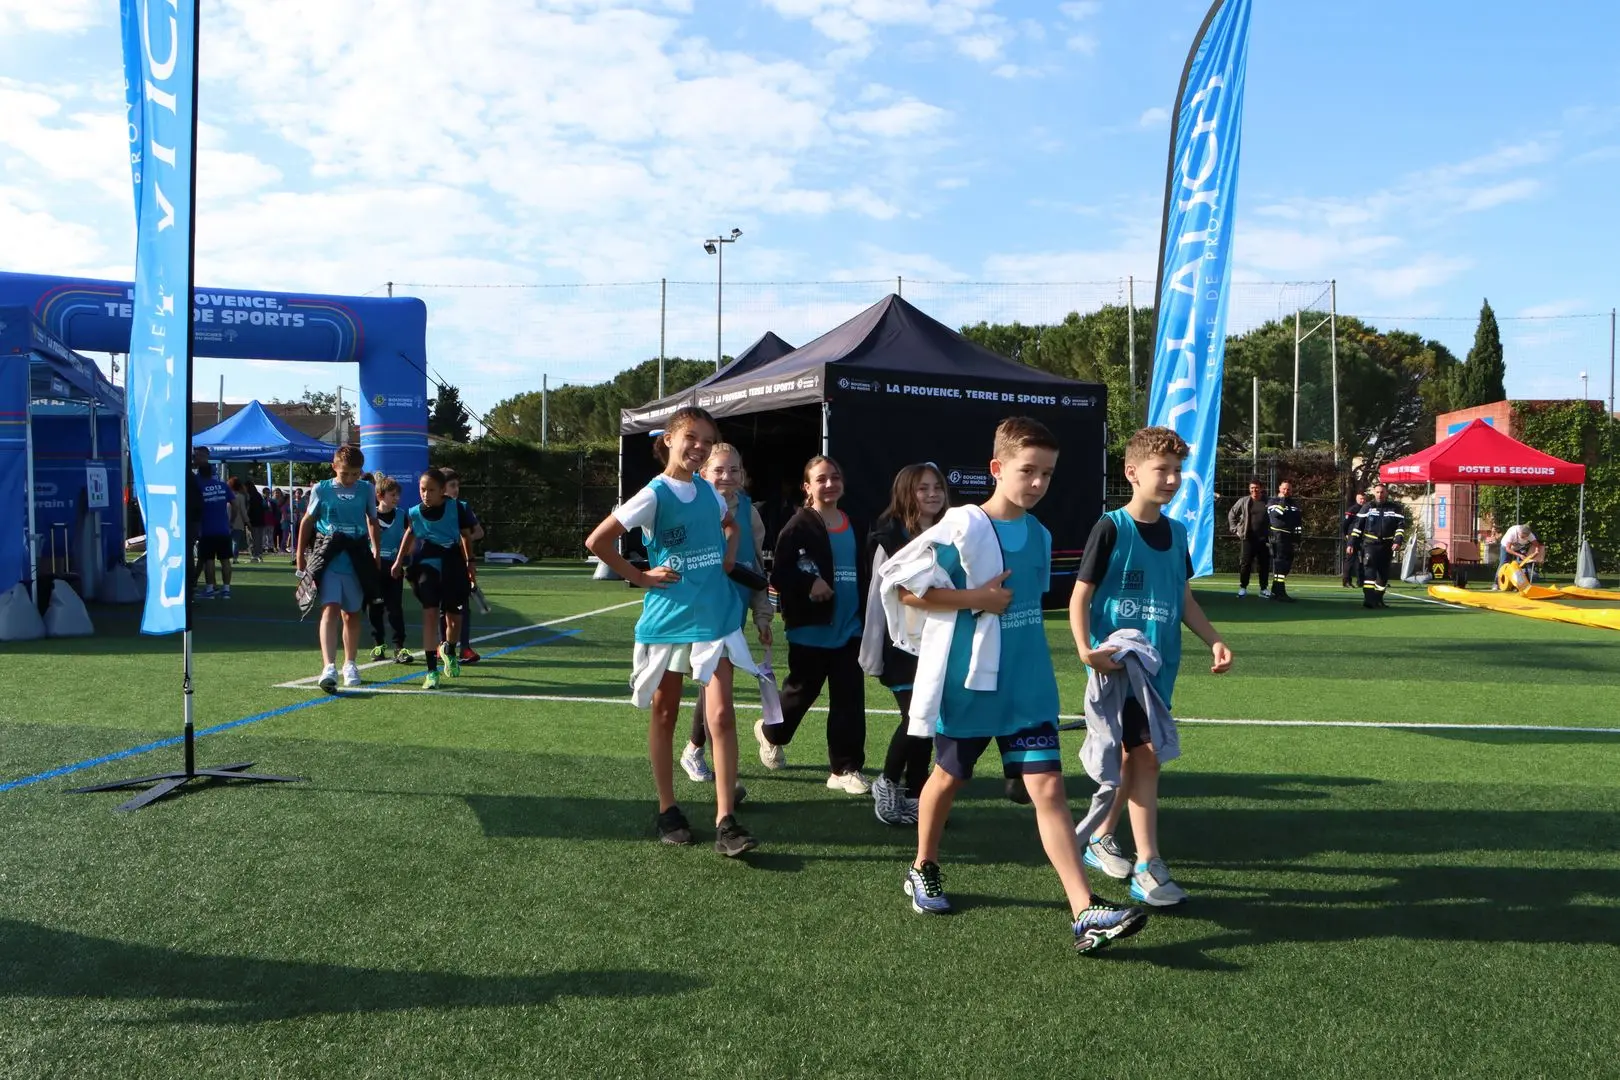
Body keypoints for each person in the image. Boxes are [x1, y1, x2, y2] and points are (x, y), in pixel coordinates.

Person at [880, 416, 1147, 953]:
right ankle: (923, 865)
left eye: (1047, 473)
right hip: (970, 686)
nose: (1038, 482)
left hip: (1028, 686)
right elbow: (903, 587)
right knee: (948, 777)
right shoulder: (963, 525)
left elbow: (1024, 609)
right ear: (997, 468)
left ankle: (1084, 910)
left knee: (1048, 789)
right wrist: (975, 599)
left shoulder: (1041, 534)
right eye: (1028, 471)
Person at [583, 405, 759, 857]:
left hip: (715, 618)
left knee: (722, 716)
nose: (699, 447)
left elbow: (729, 529)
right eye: (691, 438)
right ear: (669, 439)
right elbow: (597, 541)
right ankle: (668, 809)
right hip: (669, 620)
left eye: (707, 440)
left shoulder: (710, 492)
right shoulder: (654, 494)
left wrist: (729, 553)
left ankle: (725, 819)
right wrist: (641, 577)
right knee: (665, 713)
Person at [1072, 425, 1233, 909]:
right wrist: (1085, 649)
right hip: (1118, 667)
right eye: (1161, 469)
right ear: (1132, 472)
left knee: (1133, 757)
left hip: (1161, 668)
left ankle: (1100, 837)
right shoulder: (1111, 527)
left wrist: (1214, 639)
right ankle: (1148, 866)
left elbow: (1183, 599)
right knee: (1146, 755)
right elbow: (1080, 597)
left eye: (1177, 470)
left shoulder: (1178, 533)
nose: (1171, 479)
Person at [761, 455, 870, 795]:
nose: (830, 484)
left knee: (849, 700)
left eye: (835, 477)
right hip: (810, 629)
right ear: (807, 487)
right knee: (800, 694)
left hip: (851, 630)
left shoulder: (856, 524)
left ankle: (844, 768)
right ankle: (770, 733)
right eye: (821, 479)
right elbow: (779, 573)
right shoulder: (798, 526)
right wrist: (811, 583)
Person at [859, 462, 949, 826]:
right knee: (915, 717)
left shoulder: (950, 532)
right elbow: (878, 597)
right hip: (901, 647)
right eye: (923, 488)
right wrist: (873, 649)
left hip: (938, 643)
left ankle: (916, 794)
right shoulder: (889, 535)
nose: (932, 494)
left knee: (929, 720)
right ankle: (887, 782)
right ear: (905, 493)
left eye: (937, 487)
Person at [680, 444, 773, 786]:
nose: (726, 476)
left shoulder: (750, 514)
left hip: (733, 614)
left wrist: (762, 616)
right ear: (702, 473)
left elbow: (756, 569)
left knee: (714, 686)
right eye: (718, 470)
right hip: (701, 615)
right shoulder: (690, 508)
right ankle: (724, 781)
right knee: (716, 688)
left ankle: (694, 749)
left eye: (734, 470)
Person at [297, 445, 382, 693]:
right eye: (345, 473)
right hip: (329, 557)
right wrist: (300, 554)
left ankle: (350, 664)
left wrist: (376, 550)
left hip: (356, 558)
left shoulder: (366, 489)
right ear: (334, 467)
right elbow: (308, 520)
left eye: (355, 474)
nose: (350, 478)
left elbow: (372, 520)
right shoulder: (321, 489)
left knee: (351, 613)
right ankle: (329, 667)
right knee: (330, 608)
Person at [393, 469, 473, 689]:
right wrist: (398, 561)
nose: (425, 494)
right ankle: (431, 671)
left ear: (442, 490)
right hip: (427, 564)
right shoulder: (414, 512)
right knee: (429, 614)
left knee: (454, 619)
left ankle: (450, 649)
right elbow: (410, 533)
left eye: (431, 490)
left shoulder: (457, 508)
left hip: (453, 564)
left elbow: (466, 536)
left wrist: (470, 562)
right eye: (422, 489)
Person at [440, 467, 486, 664]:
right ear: (441, 487)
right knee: (441, 608)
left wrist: (463, 541)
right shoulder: (430, 509)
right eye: (452, 485)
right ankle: (441, 646)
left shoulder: (462, 507)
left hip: (460, 563)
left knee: (462, 607)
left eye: (457, 485)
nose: (456, 489)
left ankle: (464, 648)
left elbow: (479, 532)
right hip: (439, 565)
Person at [370, 474, 413, 664]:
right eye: (392, 494)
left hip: (394, 567)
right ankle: (378, 645)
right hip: (374, 568)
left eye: (398, 495)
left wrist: (403, 556)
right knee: (375, 607)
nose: (396, 498)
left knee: (395, 608)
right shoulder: (370, 515)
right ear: (380, 495)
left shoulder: (402, 515)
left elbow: (410, 539)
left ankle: (399, 647)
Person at [1352, 480, 1405, 609]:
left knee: (1383, 574)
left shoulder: (1395, 508)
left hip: (1387, 545)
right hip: (1370, 544)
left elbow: (1400, 527)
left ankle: (1378, 599)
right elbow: (1358, 526)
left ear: (1386, 493)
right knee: (1369, 571)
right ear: (1373, 493)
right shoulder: (1368, 507)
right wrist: (1351, 543)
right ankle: (1369, 600)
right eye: (1377, 492)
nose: (1379, 494)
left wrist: (1397, 541)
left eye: (1382, 492)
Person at [1226, 478, 1271, 598]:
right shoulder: (1244, 501)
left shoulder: (1268, 501)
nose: (1254, 490)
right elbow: (1232, 514)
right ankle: (1243, 588)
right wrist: (1235, 530)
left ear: (1261, 488)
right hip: (1248, 538)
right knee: (1245, 564)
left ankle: (1263, 589)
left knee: (1264, 564)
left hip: (1264, 539)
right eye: (1252, 488)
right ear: (1249, 489)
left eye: (1256, 488)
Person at [196, 463, 235, 600]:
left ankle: (210, 589)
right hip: (223, 529)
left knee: (209, 560)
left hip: (207, 529)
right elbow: (234, 504)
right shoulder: (223, 486)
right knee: (225, 560)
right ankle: (226, 589)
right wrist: (231, 521)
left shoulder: (199, 487)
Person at [1266, 479, 1303, 603]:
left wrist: (1297, 538)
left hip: (1289, 537)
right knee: (1280, 563)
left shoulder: (1294, 504)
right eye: (1284, 489)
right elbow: (1277, 514)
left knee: (1287, 564)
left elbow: (1298, 521)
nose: (1286, 491)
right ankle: (1280, 592)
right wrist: (1282, 500)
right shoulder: (1273, 501)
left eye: (1288, 489)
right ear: (1279, 489)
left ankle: (1275, 590)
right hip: (1278, 536)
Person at [1499, 521, 1545, 586]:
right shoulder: (1512, 533)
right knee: (1504, 563)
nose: (1525, 538)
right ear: (1519, 533)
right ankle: (1497, 583)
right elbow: (1508, 549)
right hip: (1506, 546)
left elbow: (1536, 544)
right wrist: (1520, 555)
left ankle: (1525, 583)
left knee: (1525, 562)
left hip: (1519, 547)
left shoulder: (1530, 535)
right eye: (1522, 537)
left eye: (1526, 537)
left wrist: (1536, 551)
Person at [1341, 492, 1368, 587]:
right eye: (1361, 499)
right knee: (1350, 559)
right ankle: (1346, 581)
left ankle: (1361, 581)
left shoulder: (1367, 509)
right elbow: (1345, 524)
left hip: (1363, 537)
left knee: (1362, 560)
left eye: (1364, 499)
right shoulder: (1352, 509)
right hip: (1353, 537)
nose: (1362, 501)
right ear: (1357, 499)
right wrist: (1347, 535)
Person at [226, 476, 251, 563]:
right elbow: (243, 511)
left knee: (228, 541)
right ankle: (234, 558)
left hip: (226, 522)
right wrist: (247, 522)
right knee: (235, 542)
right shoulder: (240, 497)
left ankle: (227, 558)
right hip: (238, 522)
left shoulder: (225, 495)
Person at [246, 480, 268, 562]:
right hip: (261, 520)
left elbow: (248, 509)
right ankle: (259, 555)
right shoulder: (259, 495)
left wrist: (246, 520)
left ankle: (254, 556)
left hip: (252, 521)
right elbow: (265, 507)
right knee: (259, 539)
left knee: (252, 539)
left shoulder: (249, 496)